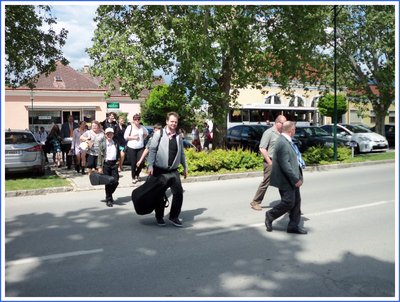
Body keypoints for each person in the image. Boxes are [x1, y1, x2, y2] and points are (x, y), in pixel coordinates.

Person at [264, 121, 307, 235]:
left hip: (291, 178)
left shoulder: (286, 141)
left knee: (296, 202)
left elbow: (293, 160)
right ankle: (270, 215)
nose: (295, 131)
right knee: (288, 202)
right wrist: (295, 179)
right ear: (291, 130)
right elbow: (285, 164)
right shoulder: (282, 142)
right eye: (295, 129)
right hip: (286, 179)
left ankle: (293, 226)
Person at [147, 112, 188, 227]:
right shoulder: (159, 134)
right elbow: (152, 150)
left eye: (175, 122)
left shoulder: (178, 136)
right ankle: (159, 217)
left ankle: (174, 217)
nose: (174, 123)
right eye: (172, 121)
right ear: (167, 121)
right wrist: (150, 165)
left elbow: (182, 154)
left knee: (178, 193)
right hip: (160, 169)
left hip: (173, 170)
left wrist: (185, 167)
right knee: (160, 194)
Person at [250, 115, 287, 211]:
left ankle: (286, 202)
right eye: (283, 123)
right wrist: (269, 162)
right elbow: (262, 148)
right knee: (266, 182)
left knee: (283, 182)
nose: (285, 125)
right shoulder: (269, 132)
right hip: (271, 161)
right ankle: (255, 201)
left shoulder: (283, 133)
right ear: (277, 122)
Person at [124, 114, 149, 184]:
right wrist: (134, 138)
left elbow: (146, 133)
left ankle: (137, 174)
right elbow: (125, 137)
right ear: (133, 120)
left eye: (138, 119)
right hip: (131, 147)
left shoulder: (142, 127)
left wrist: (142, 139)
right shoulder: (130, 127)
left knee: (141, 162)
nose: (137, 121)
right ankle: (133, 177)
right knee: (133, 163)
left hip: (140, 147)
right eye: (135, 119)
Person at [99, 128, 120, 207]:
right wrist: (99, 167)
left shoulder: (116, 142)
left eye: (111, 134)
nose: (109, 135)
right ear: (105, 135)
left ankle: (109, 195)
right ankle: (109, 199)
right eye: (107, 134)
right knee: (108, 182)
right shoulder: (103, 144)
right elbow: (100, 156)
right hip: (106, 164)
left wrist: (119, 164)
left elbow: (118, 153)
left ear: (113, 135)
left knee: (115, 181)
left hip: (114, 163)